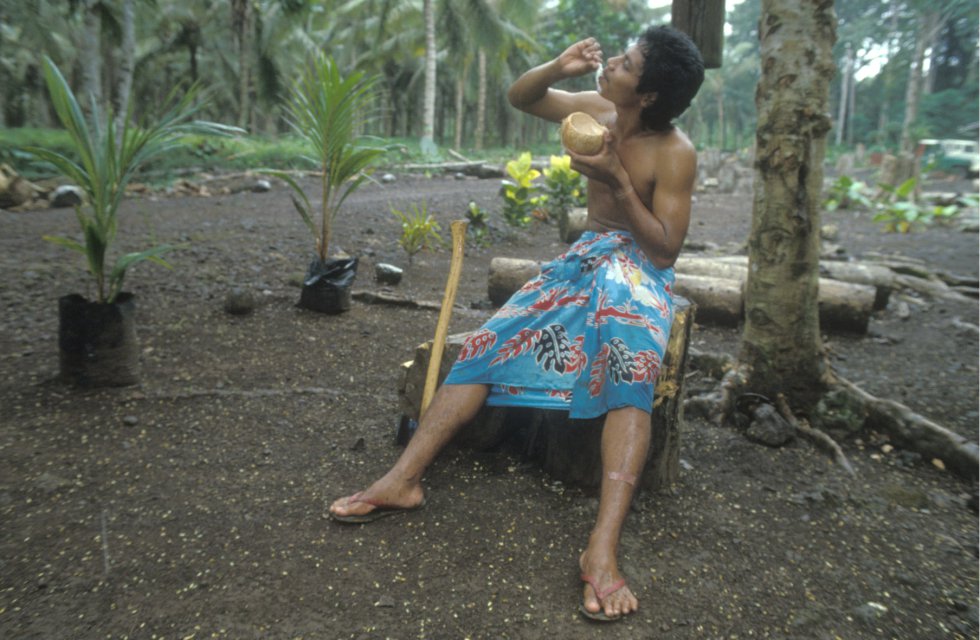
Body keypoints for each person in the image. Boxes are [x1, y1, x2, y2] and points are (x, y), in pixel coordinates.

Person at [329, 25, 704, 622]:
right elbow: (523, 99)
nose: (611, 66)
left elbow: (664, 251)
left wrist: (614, 179)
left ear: (651, 95)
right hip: (584, 258)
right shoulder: (598, 107)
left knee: (630, 368)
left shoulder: (674, 152)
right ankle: (402, 479)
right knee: (487, 342)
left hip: (636, 269)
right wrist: (558, 66)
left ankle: (602, 548)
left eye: (626, 64)